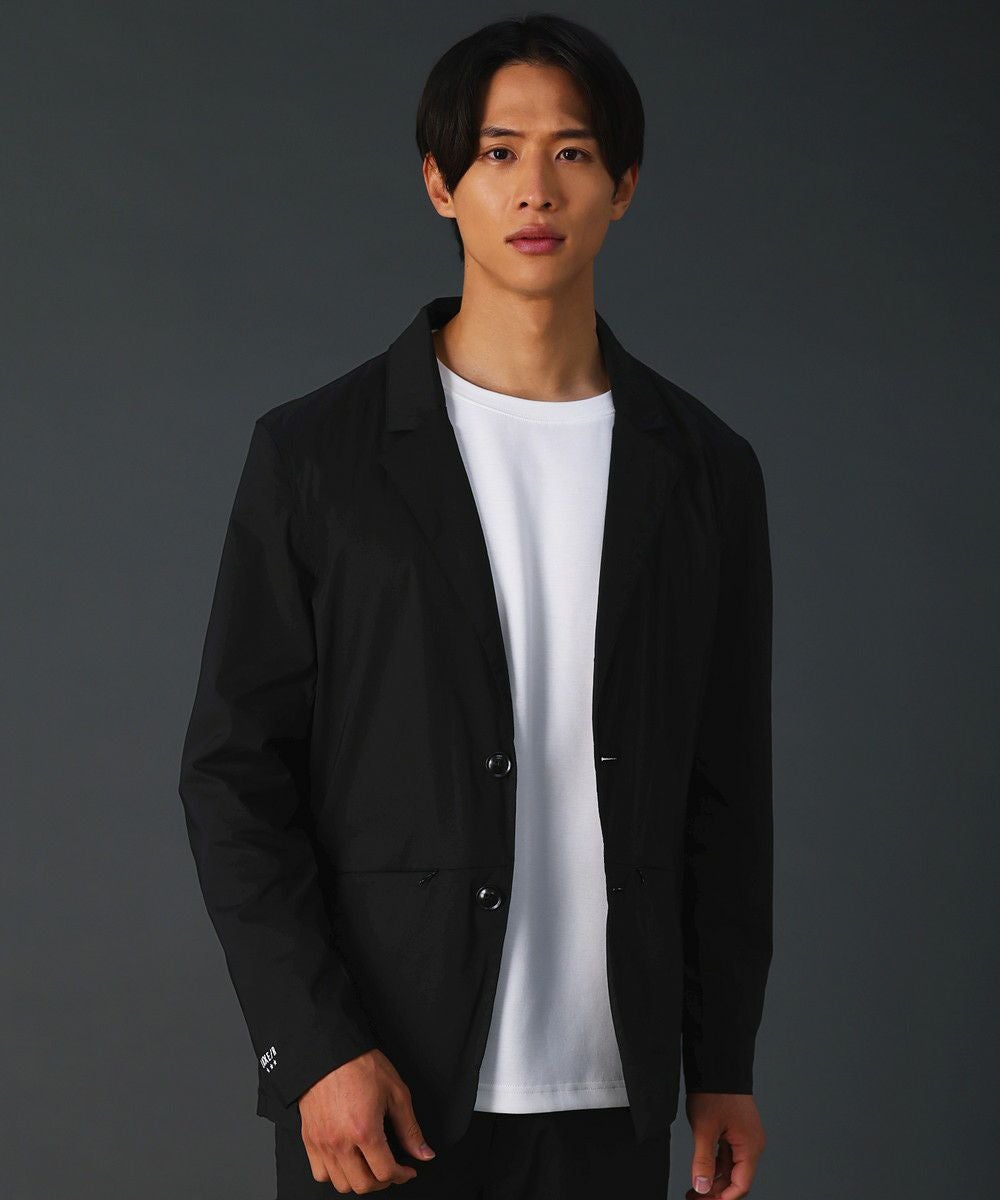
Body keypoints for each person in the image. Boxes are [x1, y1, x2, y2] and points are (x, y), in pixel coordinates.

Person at [179, 13, 773, 1199]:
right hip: (381, 1088)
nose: (535, 188)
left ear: (623, 185)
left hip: (613, 1093)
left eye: (572, 152)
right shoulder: (318, 456)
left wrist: (722, 1063)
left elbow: (726, 794)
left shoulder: (704, 469)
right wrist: (312, 1049)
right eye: (499, 151)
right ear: (440, 182)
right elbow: (234, 774)